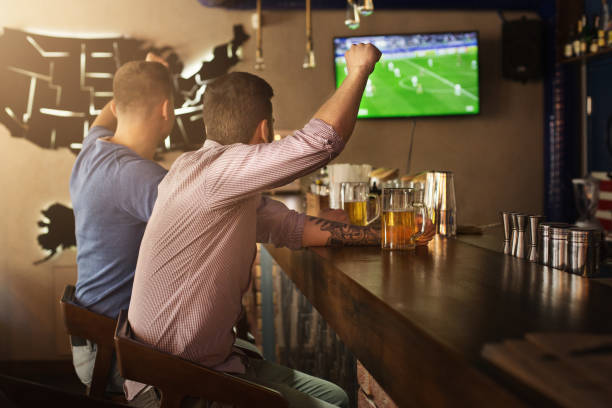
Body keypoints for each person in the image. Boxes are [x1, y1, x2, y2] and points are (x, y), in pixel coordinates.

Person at [126, 44, 433, 407]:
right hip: (174, 386)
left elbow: (291, 228)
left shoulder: (204, 174)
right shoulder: (216, 173)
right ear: (264, 129)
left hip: (199, 365)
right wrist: (358, 71)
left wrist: (391, 235)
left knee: (334, 396)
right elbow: (321, 143)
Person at [69, 53, 174, 393]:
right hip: (114, 354)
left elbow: (108, 112)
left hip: (91, 344)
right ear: (166, 110)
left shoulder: (92, 150)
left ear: (117, 106)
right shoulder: (140, 177)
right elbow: (209, 218)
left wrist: (142, 77)